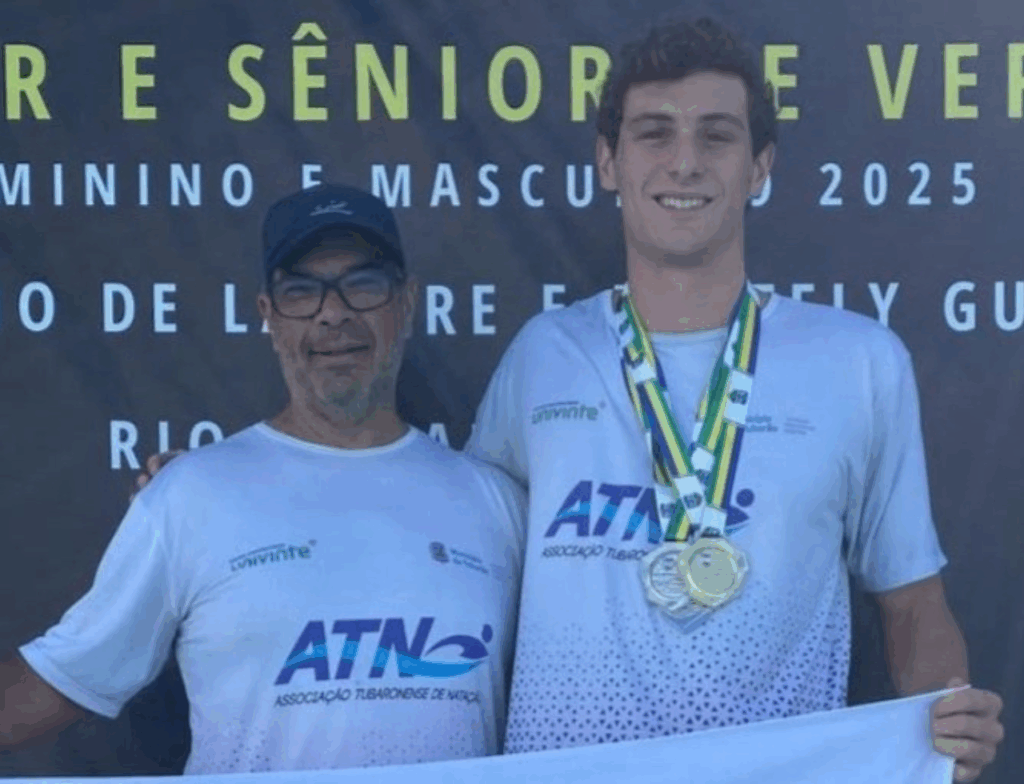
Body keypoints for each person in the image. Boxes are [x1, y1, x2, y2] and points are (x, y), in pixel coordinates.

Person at [463, 16, 1003, 783]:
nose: (685, 163)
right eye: (655, 134)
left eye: (717, 136)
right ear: (608, 162)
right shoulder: (541, 357)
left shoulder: (859, 363)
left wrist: (946, 718)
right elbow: (473, 594)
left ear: (759, 167)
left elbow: (913, 605)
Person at [0, 184, 526, 774]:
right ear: (268, 316)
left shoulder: (494, 503)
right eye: (302, 291)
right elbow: (54, 683)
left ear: (406, 303)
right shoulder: (191, 496)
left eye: (363, 284)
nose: (334, 312)